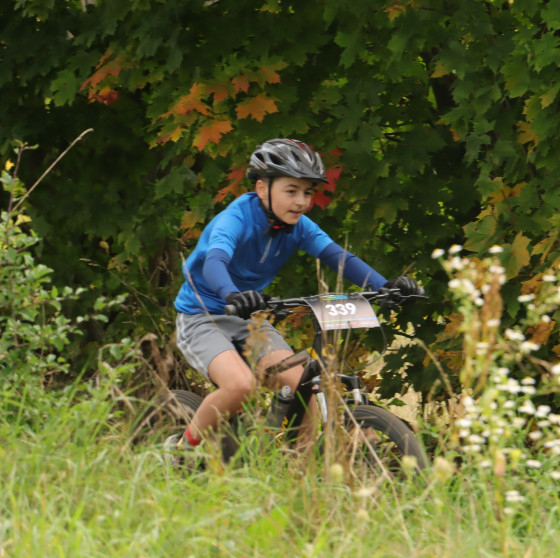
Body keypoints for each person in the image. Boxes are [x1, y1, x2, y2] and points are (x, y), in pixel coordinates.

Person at [166, 138, 422, 452]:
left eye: (308, 193)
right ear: (262, 188)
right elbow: (214, 262)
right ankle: (179, 449)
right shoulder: (235, 219)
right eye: (291, 191)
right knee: (240, 385)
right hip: (202, 317)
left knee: (306, 387)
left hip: (249, 317)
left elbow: (338, 258)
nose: (301, 202)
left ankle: (298, 475)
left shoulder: (300, 226)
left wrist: (385, 287)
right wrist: (231, 294)